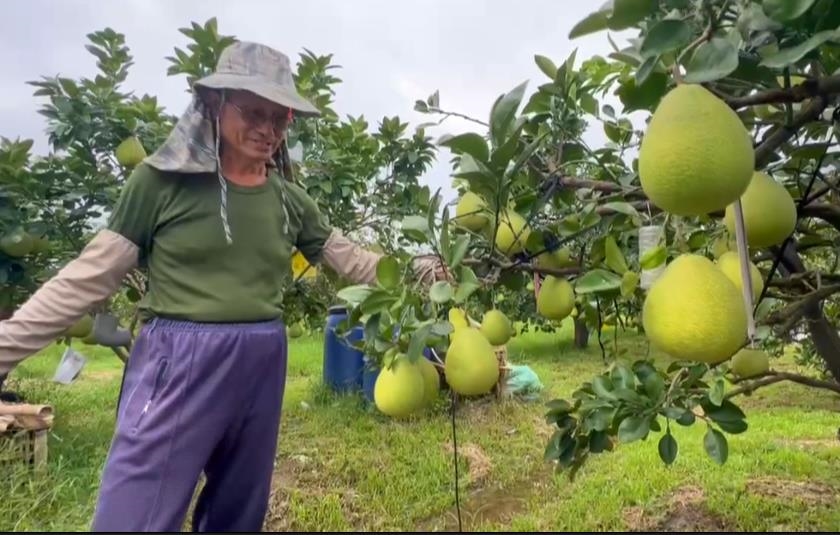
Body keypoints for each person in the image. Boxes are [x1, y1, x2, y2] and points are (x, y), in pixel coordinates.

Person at [0, 41, 447, 532]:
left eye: (279, 118)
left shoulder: (288, 199)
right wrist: (7, 346)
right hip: (179, 359)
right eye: (253, 111)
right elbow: (88, 278)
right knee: (135, 513)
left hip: (262, 359)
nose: (267, 129)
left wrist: (423, 274)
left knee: (239, 509)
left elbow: (354, 262)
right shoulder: (159, 184)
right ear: (214, 104)